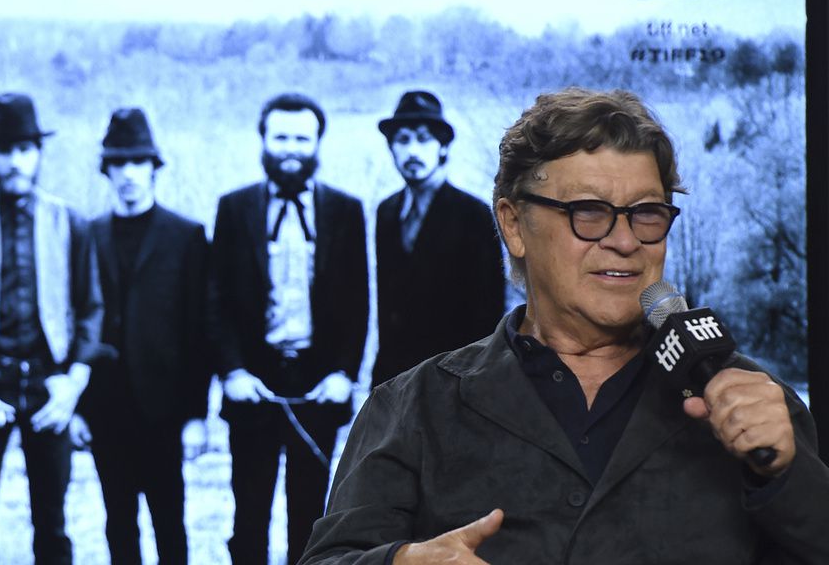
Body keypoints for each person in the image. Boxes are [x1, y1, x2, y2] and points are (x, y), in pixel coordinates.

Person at [301, 87, 829, 564]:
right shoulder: (411, 408)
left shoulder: (753, 403)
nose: (625, 241)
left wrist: (787, 477)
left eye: (647, 213)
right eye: (589, 211)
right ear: (513, 225)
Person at [209, 93, 369, 564]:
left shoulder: (345, 210)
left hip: (317, 389)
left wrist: (343, 374)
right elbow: (215, 301)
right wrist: (232, 372)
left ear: (318, 142)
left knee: (312, 519)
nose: (290, 148)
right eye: (280, 137)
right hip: (253, 389)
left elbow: (359, 302)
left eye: (302, 138)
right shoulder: (234, 209)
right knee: (249, 518)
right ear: (263, 140)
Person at [0, 92, 103, 565]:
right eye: (3, 150)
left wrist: (71, 383)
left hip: (47, 384)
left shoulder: (69, 223)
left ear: (38, 153)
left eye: (24, 149)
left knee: (52, 523)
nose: (14, 161)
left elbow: (90, 308)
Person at [71, 107, 211, 565]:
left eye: (138, 162)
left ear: (154, 167)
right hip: (106, 406)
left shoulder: (186, 236)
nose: (128, 174)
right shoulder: (88, 235)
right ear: (106, 170)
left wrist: (196, 414)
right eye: (118, 163)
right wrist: (79, 407)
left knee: (170, 521)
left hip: (165, 409)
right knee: (118, 523)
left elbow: (198, 329)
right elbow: (76, 322)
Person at [372, 90, 507, 386]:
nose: (413, 152)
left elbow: (487, 315)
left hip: (451, 381)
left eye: (424, 139)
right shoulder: (387, 212)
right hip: (395, 379)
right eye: (403, 140)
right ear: (392, 148)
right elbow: (387, 306)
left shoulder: (472, 214)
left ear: (443, 146)